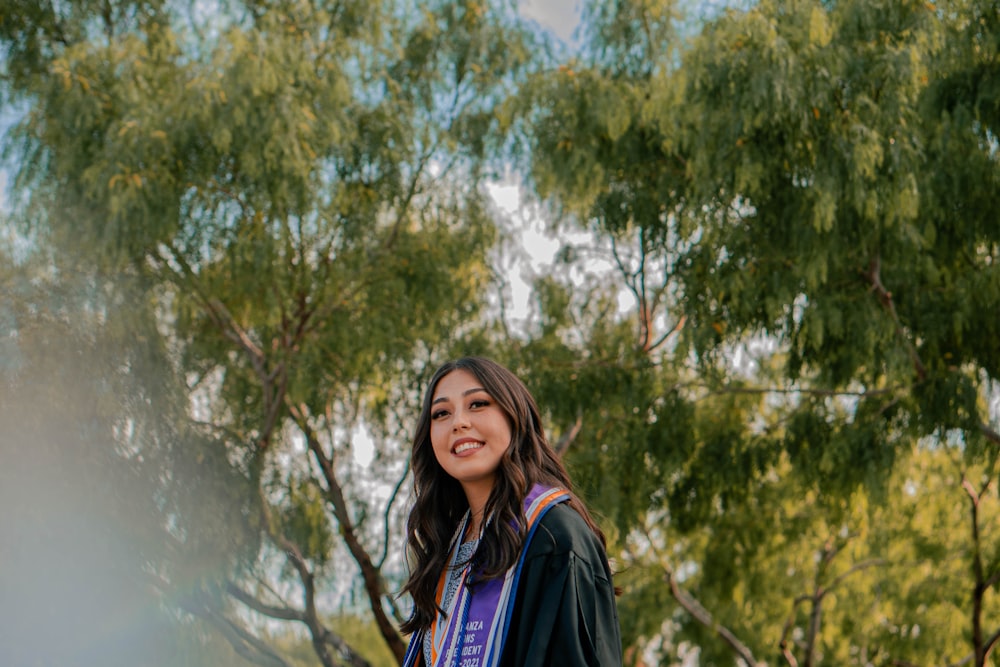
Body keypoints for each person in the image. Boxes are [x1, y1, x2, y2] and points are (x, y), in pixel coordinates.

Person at [399, 356, 623, 667]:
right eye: (441, 413)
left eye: (477, 404)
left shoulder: (555, 537)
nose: (458, 422)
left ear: (514, 416)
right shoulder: (446, 554)